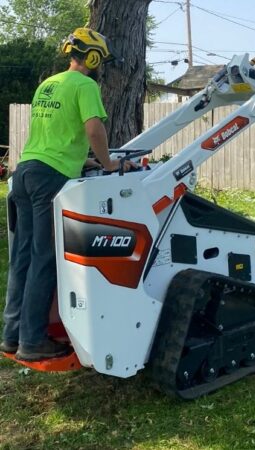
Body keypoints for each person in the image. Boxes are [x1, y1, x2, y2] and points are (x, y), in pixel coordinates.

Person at [1, 28, 135, 361]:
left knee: (22, 258)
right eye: (100, 59)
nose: (100, 65)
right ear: (92, 57)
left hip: (26, 172)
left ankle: (11, 335)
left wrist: (82, 159)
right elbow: (93, 128)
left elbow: (54, 137)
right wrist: (107, 163)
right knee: (44, 258)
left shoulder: (48, 84)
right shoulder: (85, 85)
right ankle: (32, 342)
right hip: (49, 180)